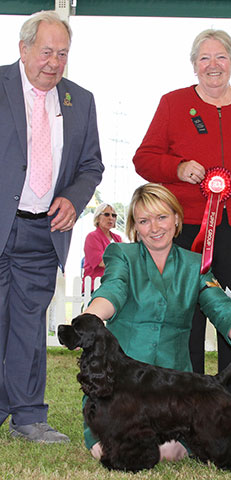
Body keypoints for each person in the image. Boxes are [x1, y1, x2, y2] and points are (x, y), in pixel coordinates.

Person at [132, 29, 231, 436]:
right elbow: (144, 158)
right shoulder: (173, 104)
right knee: (185, 324)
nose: (213, 65)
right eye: (204, 58)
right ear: (194, 65)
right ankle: (180, 421)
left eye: (221, 57)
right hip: (185, 230)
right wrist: (177, 168)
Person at [82, 182, 231, 462]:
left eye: (162, 217)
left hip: (173, 395)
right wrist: (93, 317)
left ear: (177, 219)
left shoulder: (195, 265)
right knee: (116, 450)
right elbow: (112, 290)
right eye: (144, 220)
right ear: (134, 227)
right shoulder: (122, 256)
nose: (154, 227)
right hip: (120, 391)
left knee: (168, 451)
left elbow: (221, 307)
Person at [0, 11, 103, 443]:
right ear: (23, 49)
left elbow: (91, 165)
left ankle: (28, 417)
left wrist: (73, 199)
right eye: (46, 51)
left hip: (43, 234)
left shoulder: (80, 99)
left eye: (62, 54)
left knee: (28, 326)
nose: (54, 62)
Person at [82, 203, 122, 292]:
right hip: (95, 286)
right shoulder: (92, 237)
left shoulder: (118, 238)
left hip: (115, 285)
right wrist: (121, 261)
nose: (111, 218)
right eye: (106, 214)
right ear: (98, 217)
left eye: (114, 215)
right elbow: (101, 262)